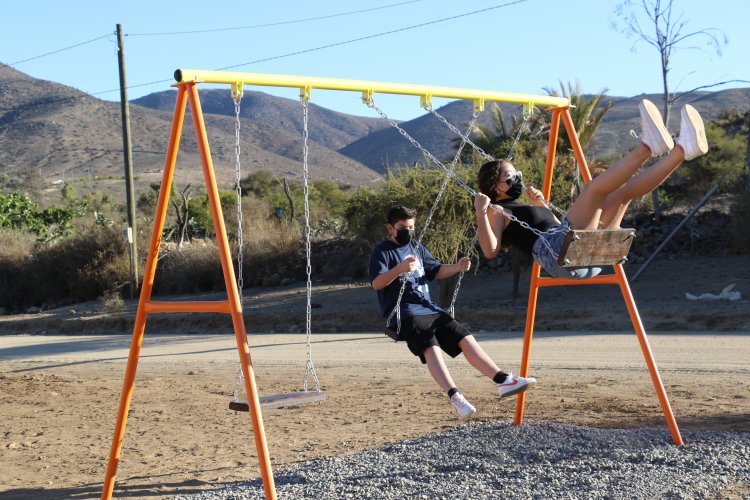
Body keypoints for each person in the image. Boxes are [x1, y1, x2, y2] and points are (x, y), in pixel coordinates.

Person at [474, 100, 709, 279]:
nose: (517, 179)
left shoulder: (521, 207)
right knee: (595, 190)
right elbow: (490, 251)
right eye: (510, 176)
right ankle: (647, 147)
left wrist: (541, 206)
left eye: (517, 174)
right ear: (495, 186)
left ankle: (682, 151)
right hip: (561, 257)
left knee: (623, 195)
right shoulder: (495, 210)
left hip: (580, 255)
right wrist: (480, 211)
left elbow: (554, 228)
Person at [369, 205, 536, 418]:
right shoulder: (382, 251)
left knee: (464, 336)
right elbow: (377, 283)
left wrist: (457, 267)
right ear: (390, 228)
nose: (407, 232)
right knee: (431, 346)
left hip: (429, 308)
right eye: (402, 227)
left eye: (411, 227)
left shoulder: (416, 247)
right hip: (405, 312)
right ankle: (455, 396)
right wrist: (399, 269)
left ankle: (503, 380)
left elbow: (436, 270)